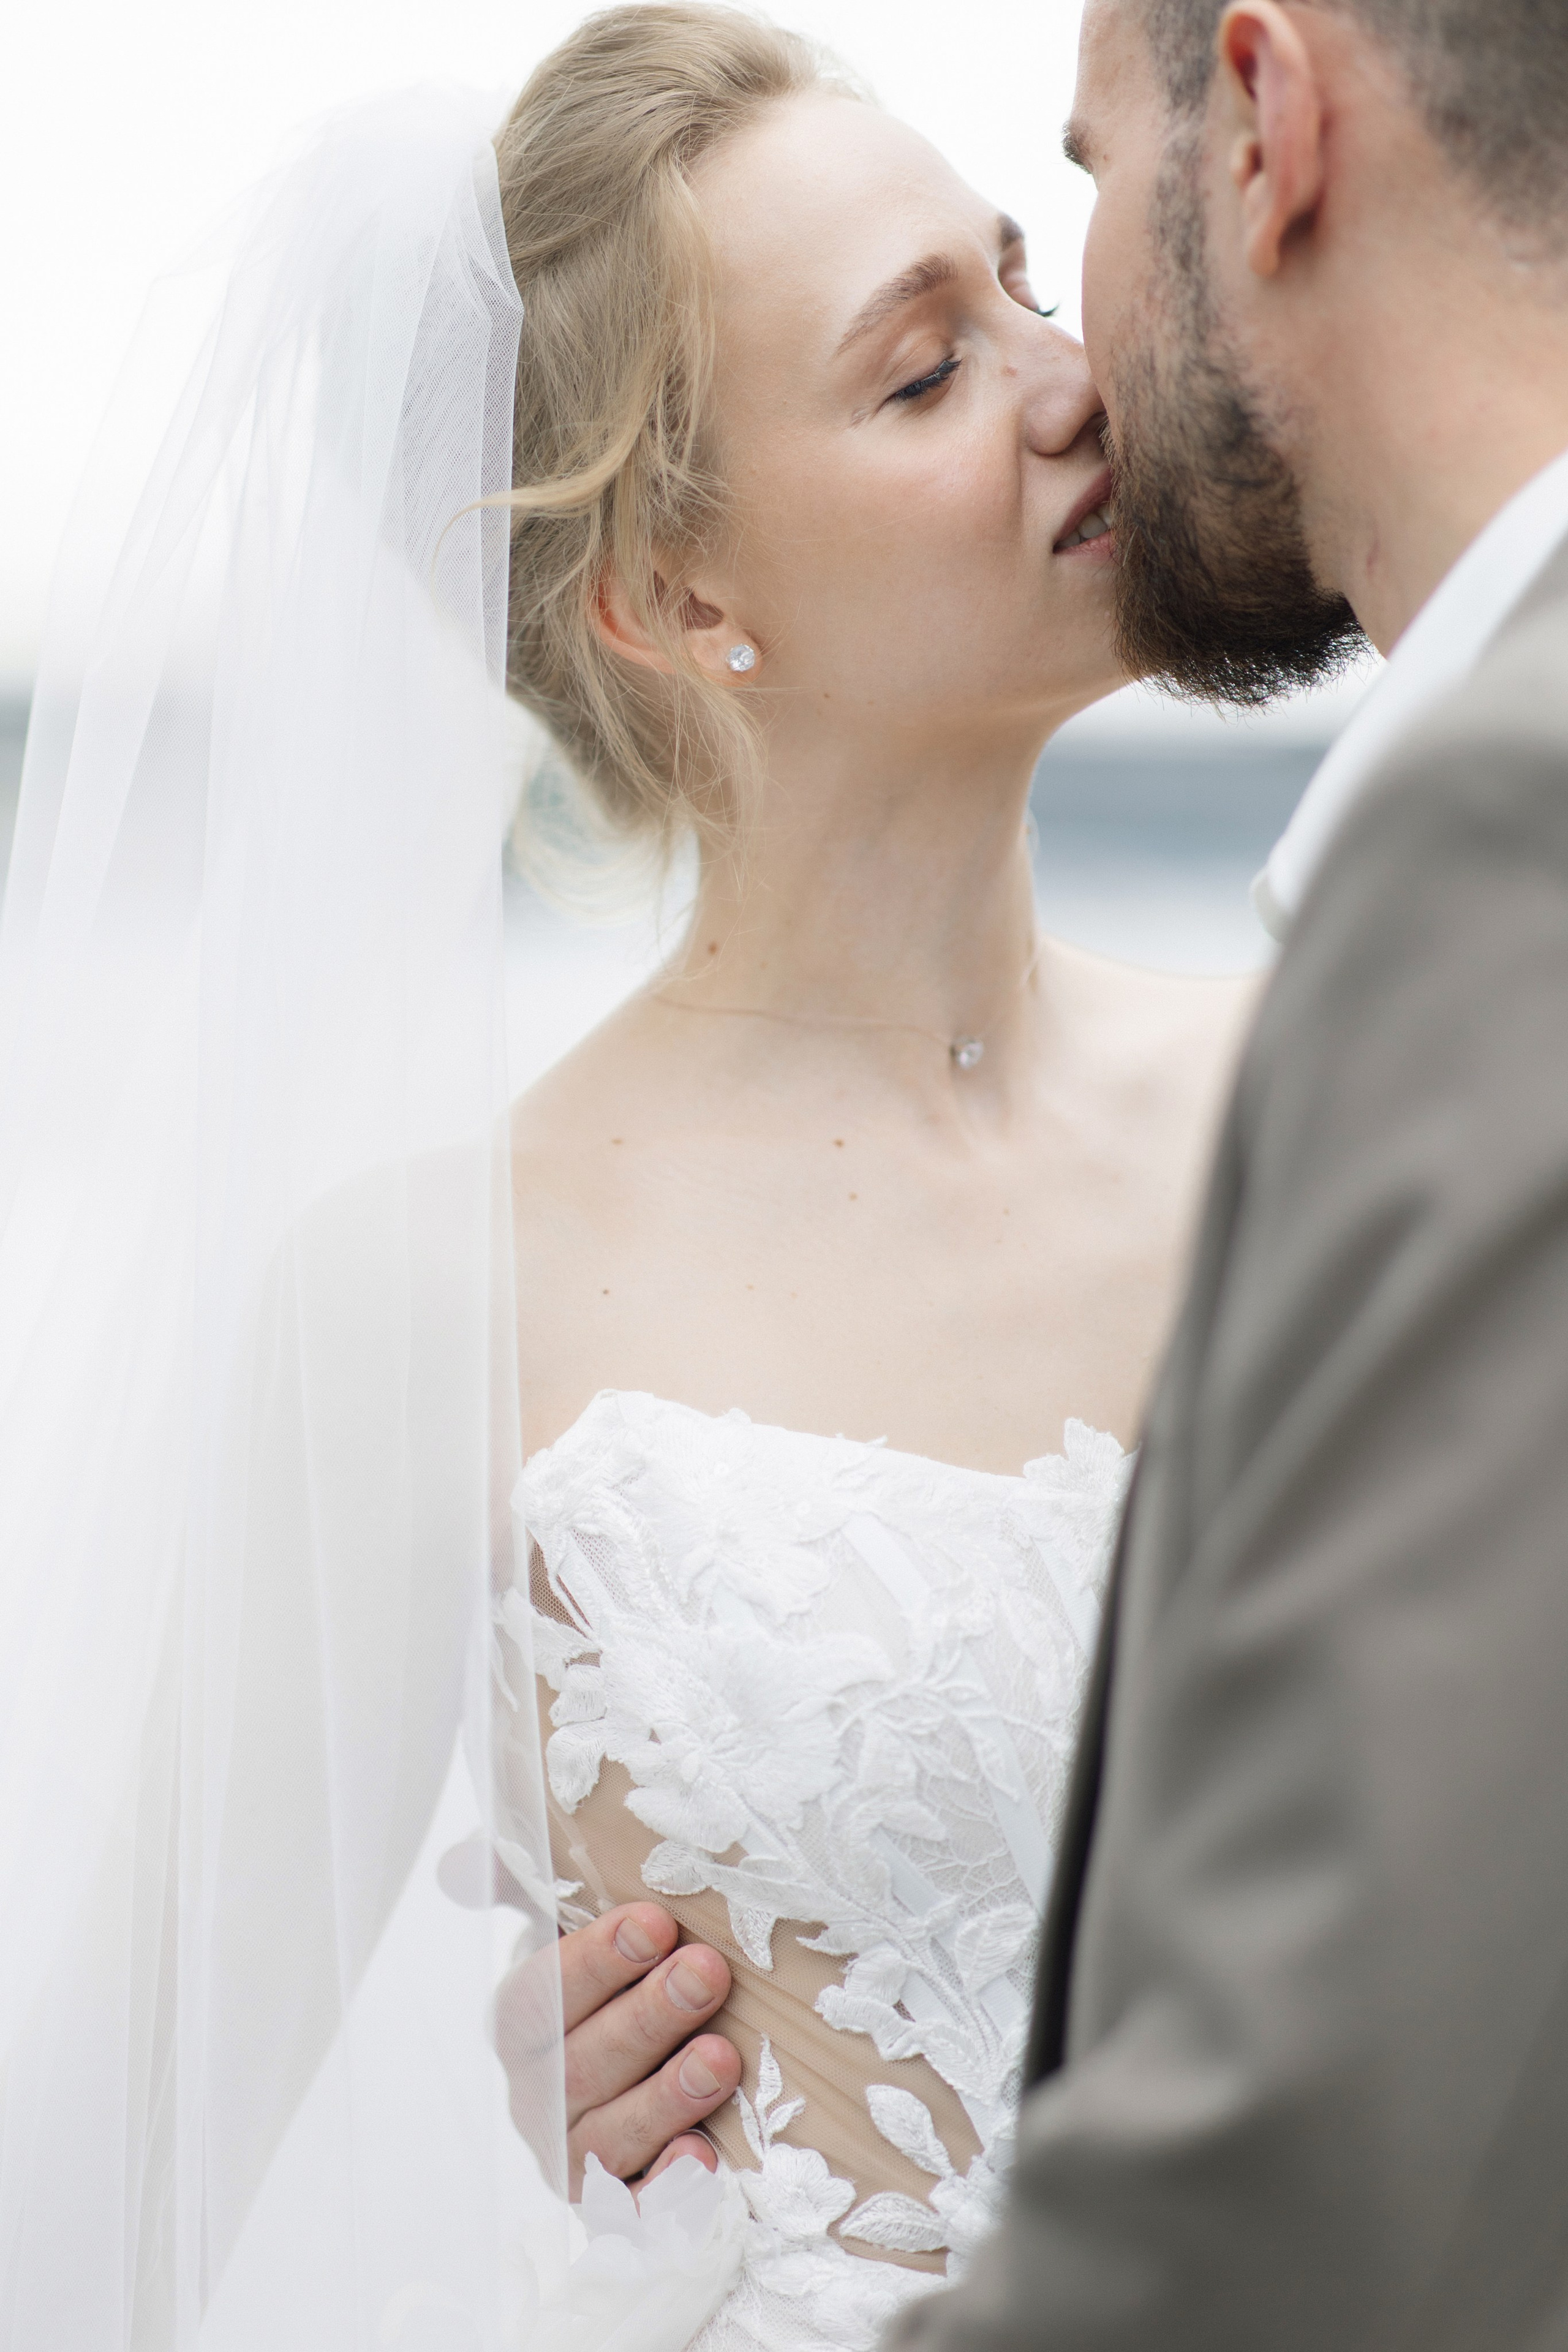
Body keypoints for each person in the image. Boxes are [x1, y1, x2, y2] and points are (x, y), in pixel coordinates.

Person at [480, 11, 1283, 2343]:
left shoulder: (1316, 1092)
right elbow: (155, 2124)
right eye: (925, 372)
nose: (1073, 380)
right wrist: (449, 2153)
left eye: (1026, 281)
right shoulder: (448, 1281)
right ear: (672, 595)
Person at [872, 1, 1568, 2343]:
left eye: (1075, 188)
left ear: (1265, 127)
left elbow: (1307, 2193)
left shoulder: (1507, 842)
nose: (1074, 364)